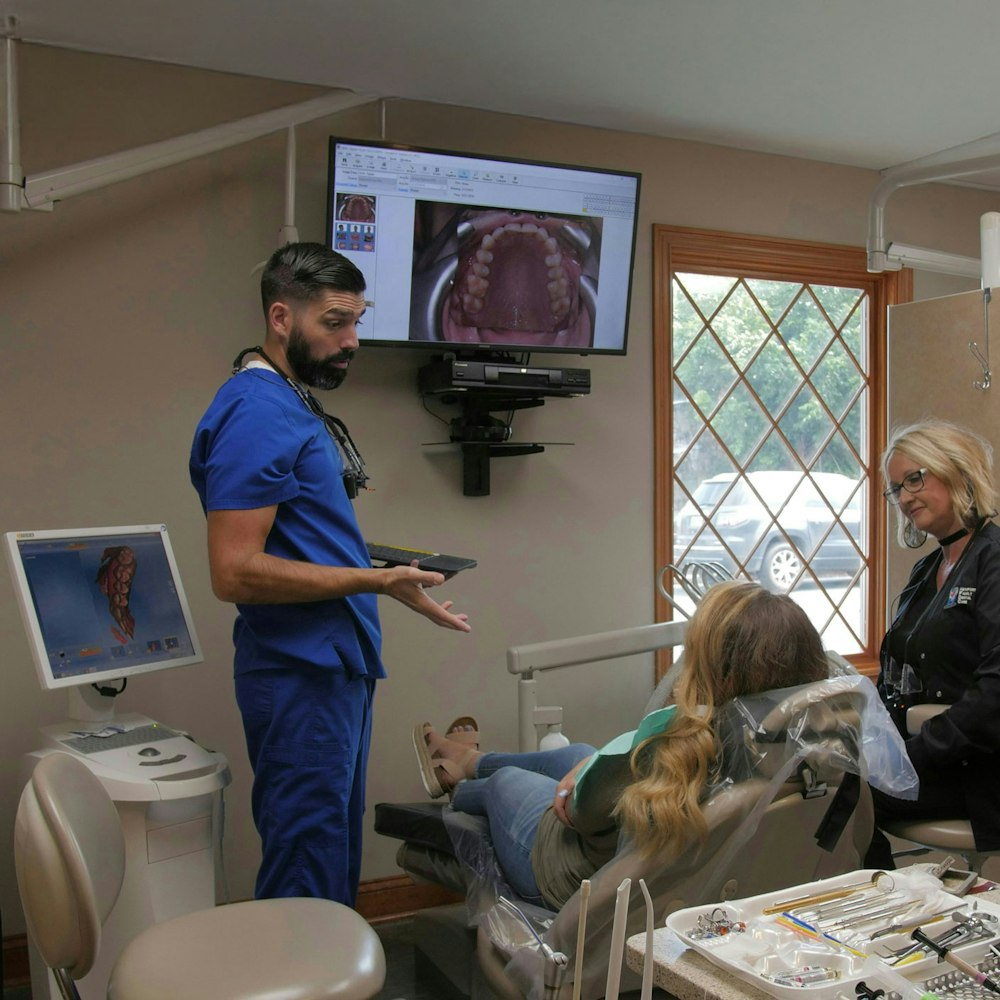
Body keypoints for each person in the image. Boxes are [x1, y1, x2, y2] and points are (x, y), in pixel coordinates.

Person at [190, 242, 471, 907]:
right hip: (299, 674)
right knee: (306, 865)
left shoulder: (288, 400)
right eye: (335, 323)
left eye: (357, 322)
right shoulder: (257, 411)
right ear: (281, 317)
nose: (351, 341)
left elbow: (298, 537)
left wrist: (388, 577)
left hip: (331, 666)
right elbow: (234, 571)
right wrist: (372, 583)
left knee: (328, 855)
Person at [413, 580, 830, 910]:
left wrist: (581, 782)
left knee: (508, 781)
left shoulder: (672, 748)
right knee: (575, 754)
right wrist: (592, 764)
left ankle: (460, 785)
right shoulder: (808, 751)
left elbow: (576, 813)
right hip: (647, 858)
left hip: (575, 879)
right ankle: (469, 760)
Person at [866, 417, 1000, 868]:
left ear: (958, 472)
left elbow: (995, 693)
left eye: (915, 479)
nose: (904, 497)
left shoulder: (993, 561)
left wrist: (909, 755)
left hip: (979, 771)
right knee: (829, 784)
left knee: (843, 802)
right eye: (896, 489)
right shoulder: (928, 570)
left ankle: (878, 914)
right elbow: (898, 677)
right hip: (930, 754)